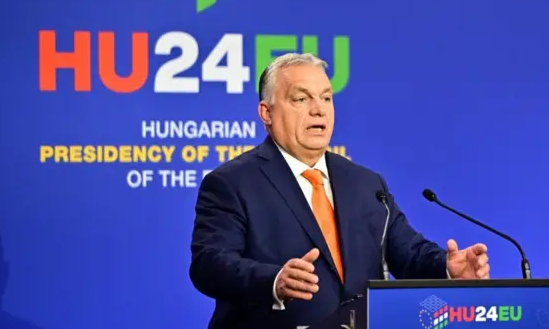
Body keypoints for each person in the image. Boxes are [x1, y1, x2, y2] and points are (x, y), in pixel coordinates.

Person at [189, 53, 490, 329]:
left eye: (326, 98)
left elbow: (407, 253)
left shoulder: (366, 183)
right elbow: (210, 263)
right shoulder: (232, 182)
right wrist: (274, 280)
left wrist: (446, 267)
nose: (319, 109)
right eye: (301, 99)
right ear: (266, 112)